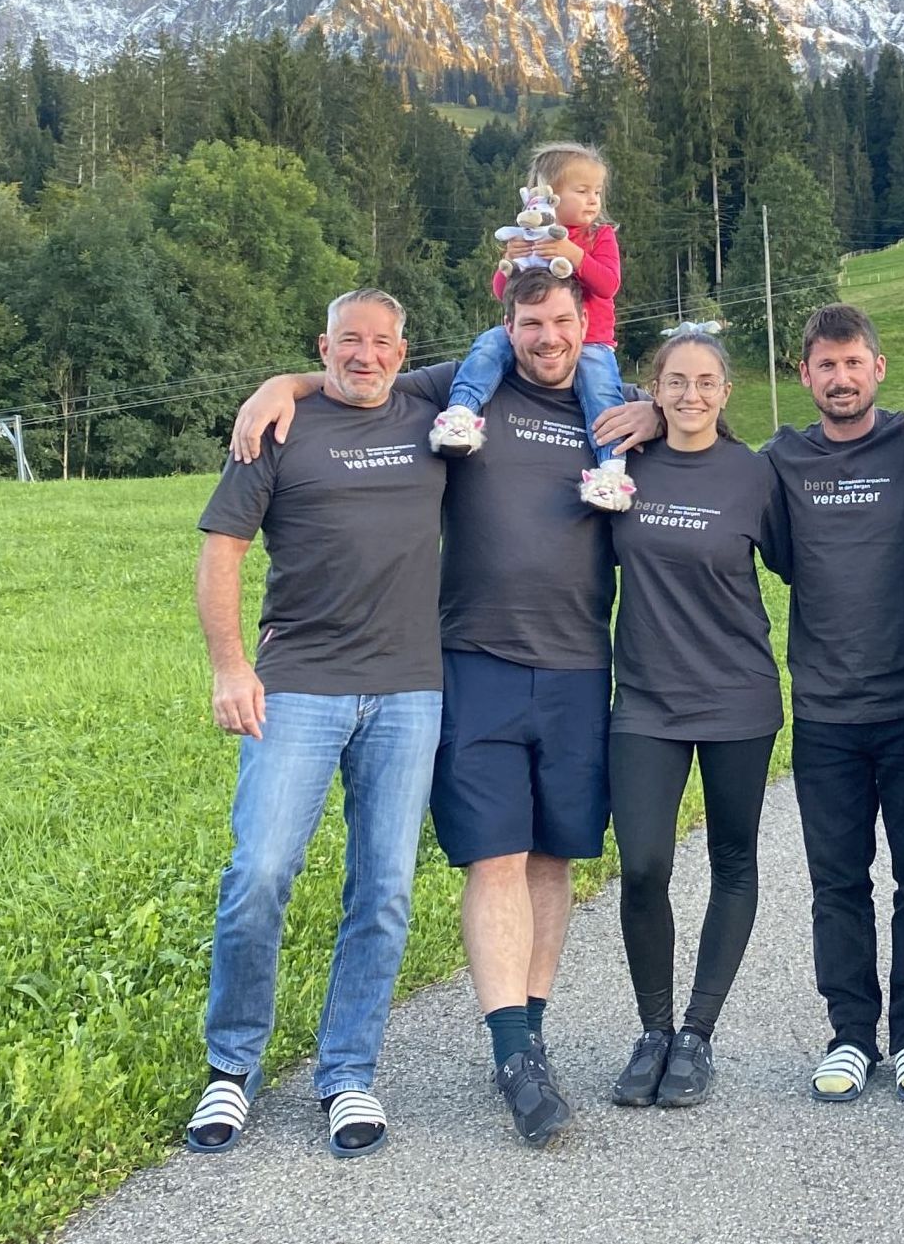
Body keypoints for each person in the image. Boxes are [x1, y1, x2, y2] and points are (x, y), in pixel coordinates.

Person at [227, 268, 660, 1151]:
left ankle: (527, 1033)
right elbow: (360, 372)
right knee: (493, 855)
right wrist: (285, 383)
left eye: (563, 321)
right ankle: (511, 1058)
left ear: (587, 326)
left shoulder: (609, 406)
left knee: (552, 855)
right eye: (531, 321)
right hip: (471, 662)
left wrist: (652, 409)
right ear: (506, 327)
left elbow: (691, 412)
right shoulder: (466, 389)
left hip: (581, 664)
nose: (548, 336)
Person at [187, 288, 447, 1160]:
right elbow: (221, 551)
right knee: (259, 870)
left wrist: (642, 401)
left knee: (383, 889)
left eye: (380, 342)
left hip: (410, 689)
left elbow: (532, 347)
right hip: (297, 683)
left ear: (402, 351)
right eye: (346, 342)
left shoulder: (430, 403)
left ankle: (347, 1072)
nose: (364, 355)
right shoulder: (277, 431)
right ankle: (231, 1065)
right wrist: (230, 665)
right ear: (323, 346)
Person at [762, 304, 904, 1105]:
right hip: (824, 708)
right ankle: (849, 1033)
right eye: (824, 365)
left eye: (853, 362)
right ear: (803, 375)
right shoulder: (779, 459)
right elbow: (771, 551)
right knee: (837, 880)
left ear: (879, 367)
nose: (839, 378)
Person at [606, 324, 792, 1111]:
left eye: (705, 382)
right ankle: (651, 1029)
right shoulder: (621, 461)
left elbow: (803, 563)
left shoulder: (753, 475)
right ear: (654, 389)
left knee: (732, 859)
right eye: (674, 382)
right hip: (644, 696)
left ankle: (696, 1033)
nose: (690, 395)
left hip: (737, 694)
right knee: (643, 864)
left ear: (726, 391)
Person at [429, 142, 637, 512]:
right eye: (582, 191)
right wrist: (508, 262)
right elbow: (502, 293)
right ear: (550, 195)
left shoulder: (598, 237)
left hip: (591, 342)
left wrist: (576, 257)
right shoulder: (531, 233)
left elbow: (608, 284)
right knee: (488, 346)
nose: (593, 201)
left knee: (602, 395)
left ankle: (611, 471)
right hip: (528, 338)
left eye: (597, 192)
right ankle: (460, 416)